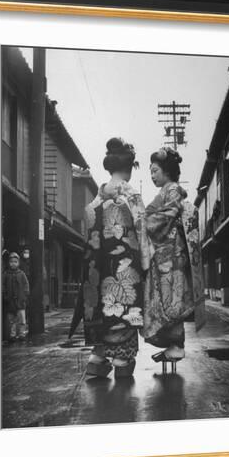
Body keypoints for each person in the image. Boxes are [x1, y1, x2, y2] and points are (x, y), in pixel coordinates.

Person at [82, 137, 150, 378]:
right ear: (130, 167)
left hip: (99, 269)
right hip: (125, 268)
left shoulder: (96, 201)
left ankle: (97, 358)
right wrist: (146, 264)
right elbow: (143, 233)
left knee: (103, 309)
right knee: (125, 308)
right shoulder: (131, 197)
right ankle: (121, 361)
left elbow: (90, 237)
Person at [141, 147, 205, 372]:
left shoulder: (173, 190)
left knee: (171, 299)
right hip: (165, 255)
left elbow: (164, 217)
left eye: (155, 170)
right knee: (165, 299)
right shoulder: (168, 190)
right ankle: (172, 344)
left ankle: (176, 345)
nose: (152, 175)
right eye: (150, 171)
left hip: (172, 255)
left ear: (166, 170)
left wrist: (145, 220)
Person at [2, 251, 30, 343]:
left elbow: (26, 285)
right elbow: (3, 286)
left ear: (18, 263)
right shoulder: (6, 274)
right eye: (11, 262)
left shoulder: (21, 274)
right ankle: (12, 335)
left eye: (15, 262)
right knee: (11, 320)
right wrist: (5, 296)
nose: (13, 264)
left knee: (22, 319)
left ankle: (22, 334)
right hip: (10, 301)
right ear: (9, 263)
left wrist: (25, 296)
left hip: (20, 301)